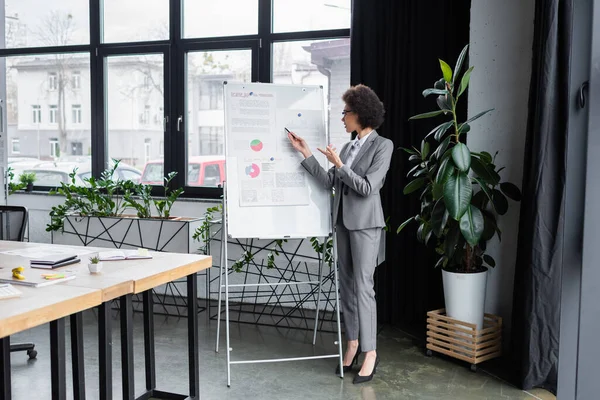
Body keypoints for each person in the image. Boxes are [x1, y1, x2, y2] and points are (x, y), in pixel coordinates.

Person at [287, 84, 393, 384]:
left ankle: (370, 352)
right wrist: (306, 152)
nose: (342, 118)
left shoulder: (383, 146)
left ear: (361, 113)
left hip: (366, 225)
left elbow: (367, 187)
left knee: (363, 287)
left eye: (346, 113)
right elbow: (327, 182)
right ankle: (353, 345)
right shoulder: (347, 148)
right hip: (343, 224)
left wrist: (340, 165)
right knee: (346, 287)